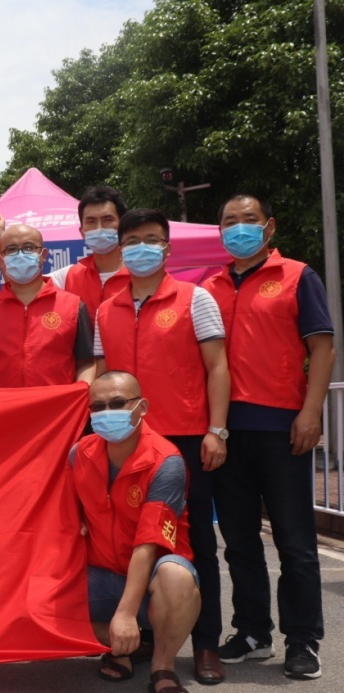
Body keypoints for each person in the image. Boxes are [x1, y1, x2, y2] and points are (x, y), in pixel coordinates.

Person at [94, 208, 230, 685]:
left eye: (151, 239)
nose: (141, 249)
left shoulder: (197, 298)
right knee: (131, 539)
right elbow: (100, 375)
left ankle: (206, 643)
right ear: (120, 248)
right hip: (126, 440)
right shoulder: (105, 308)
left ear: (168, 248)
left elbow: (217, 366)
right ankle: (143, 636)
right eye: (132, 241)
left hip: (187, 438)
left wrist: (217, 430)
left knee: (197, 544)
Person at [202, 194, 334, 680]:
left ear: (269, 227)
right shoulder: (208, 287)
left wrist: (311, 411)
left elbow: (322, 347)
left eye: (249, 220)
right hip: (225, 431)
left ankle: (303, 640)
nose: (239, 228)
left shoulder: (298, 277)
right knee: (238, 540)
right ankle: (253, 632)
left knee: (295, 542)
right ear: (220, 231)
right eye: (229, 222)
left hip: (282, 428)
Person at [70, 371, 199, 693]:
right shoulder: (79, 454)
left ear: (142, 407)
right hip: (98, 574)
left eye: (117, 403)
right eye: (97, 407)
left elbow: (148, 543)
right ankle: (121, 647)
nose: (106, 413)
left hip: (151, 579)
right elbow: (62, 511)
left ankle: (162, 665)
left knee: (177, 575)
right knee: (34, 592)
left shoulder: (166, 461)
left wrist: (126, 613)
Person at [0, 223, 95, 389]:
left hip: (57, 405)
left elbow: (87, 363)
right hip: (4, 405)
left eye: (29, 247)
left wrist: (80, 391)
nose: (20, 254)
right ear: (1, 259)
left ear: (43, 255)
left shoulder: (73, 306)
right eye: (11, 249)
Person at [47, 185, 132, 323]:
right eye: (91, 221)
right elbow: (23, 289)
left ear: (123, 227)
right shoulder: (66, 278)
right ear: (82, 232)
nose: (99, 228)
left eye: (107, 219)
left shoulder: (140, 276)